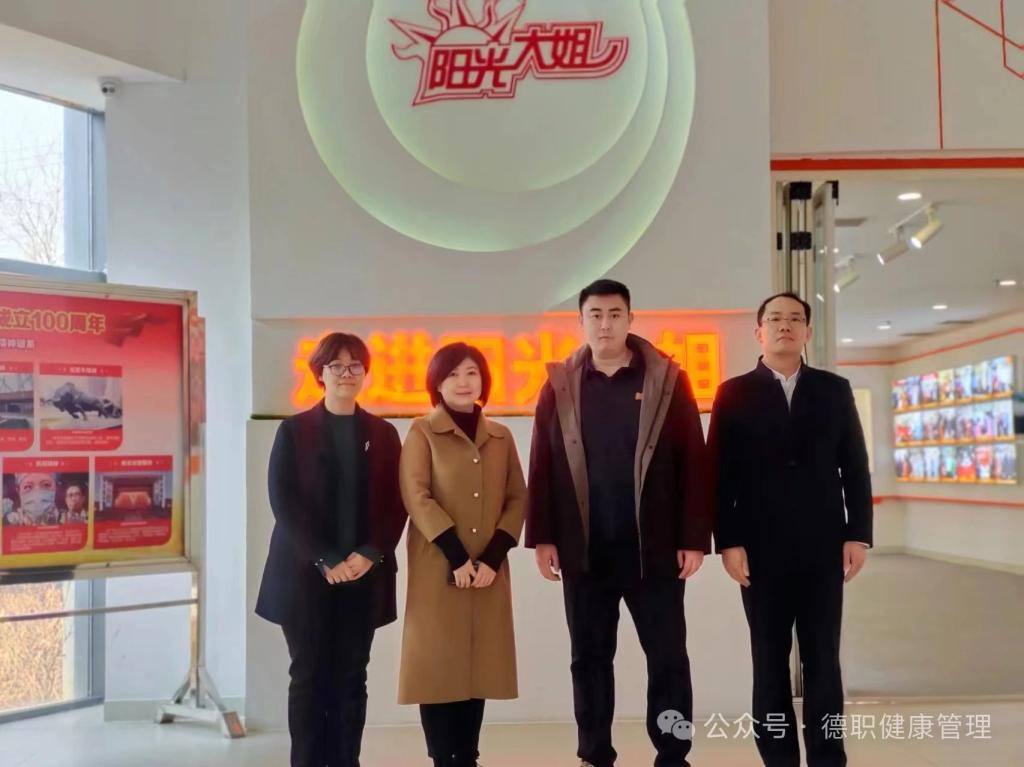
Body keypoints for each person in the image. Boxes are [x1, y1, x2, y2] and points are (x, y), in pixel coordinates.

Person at [525, 279, 711, 767]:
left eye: (614, 314)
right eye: (595, 314)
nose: (605, 324)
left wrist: (694, 537)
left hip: (654, 547)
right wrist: (542, 536)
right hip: (584, 548)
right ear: (581, 321)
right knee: (588, 658)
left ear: (631, 318)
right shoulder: (560, 383)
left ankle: (673, 753)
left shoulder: (666, 379)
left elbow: (693, 458)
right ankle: (594, 753)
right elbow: (542, 463)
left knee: (668, 657)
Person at [708, 292, 872, 767]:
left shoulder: (834, 390)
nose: (785, 325)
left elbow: (854, 466)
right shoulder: (733, 393)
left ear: (807, 332)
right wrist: (728, 541)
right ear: (758, 332)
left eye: (795, 319)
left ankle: (827, 756)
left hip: (823, 546)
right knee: (768, 660)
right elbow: (718, 475)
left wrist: (857, 533)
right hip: (759, 550)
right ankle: (778, 758)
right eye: (775, 319)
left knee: (824, 659)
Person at [254, 332, 407, 767]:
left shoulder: (383, 433)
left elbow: (396, 502)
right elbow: (283, 500)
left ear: (365, 373)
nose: (346, 373)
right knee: (307, 676)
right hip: (304, 576)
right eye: (336, 365)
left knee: (352, 677)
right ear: (320, 373)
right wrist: (324, 558)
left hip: (363, 576)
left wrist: (370, 552)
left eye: (355, 365)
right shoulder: (293, 430)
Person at [398, 342, 527, 767]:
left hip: (488, 570)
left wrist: (492, 559)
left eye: (471, 373)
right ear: (436, 382)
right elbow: (417, 496)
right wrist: (457, 558)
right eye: (452, 374)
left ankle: (468, 757)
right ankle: (443, 758)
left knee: (478, 666)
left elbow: (517, 498)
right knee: (437, 668)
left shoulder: (500, 436)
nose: (463, 382)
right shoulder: (421, 432)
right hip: (439, 567)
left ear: (483, 380)